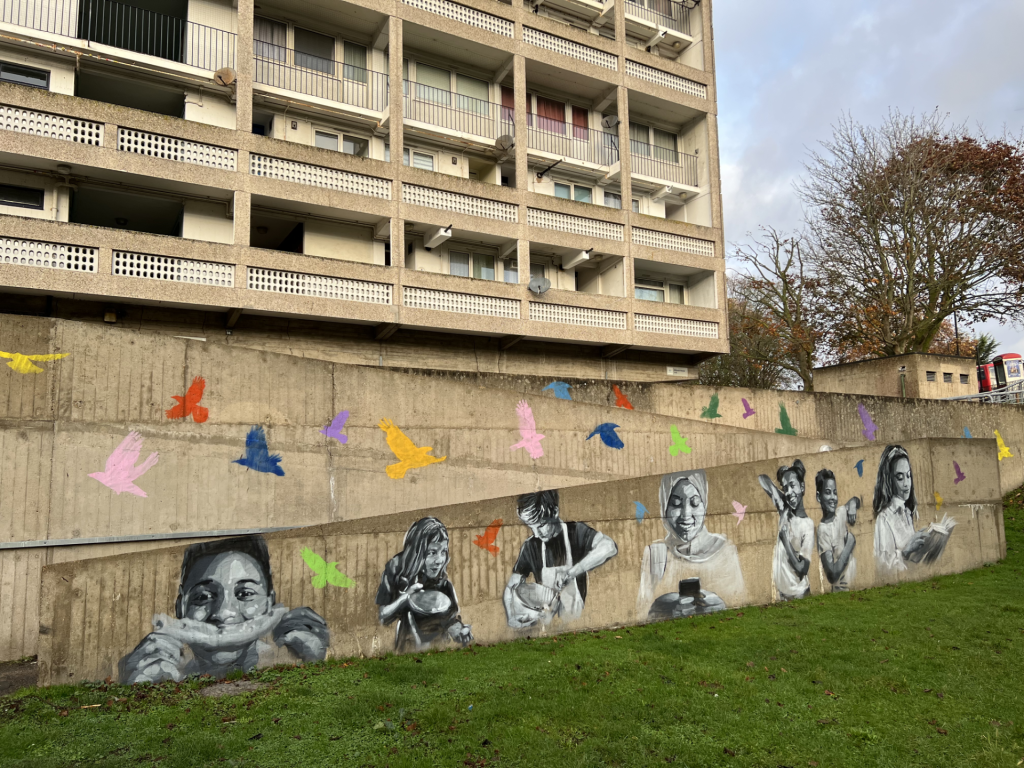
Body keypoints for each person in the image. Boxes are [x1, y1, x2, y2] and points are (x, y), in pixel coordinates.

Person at [119, 535, 329, 684]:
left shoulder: (286, 657)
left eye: (245, 594)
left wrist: (315, 663)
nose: (224, 613)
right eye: (203, 597)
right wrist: (140, 685)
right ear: (180, 607)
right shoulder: (162, 665)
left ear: (269, 602)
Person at [636, 470, 745, 620]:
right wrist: (666, 611)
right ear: (664, 507)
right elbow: (642, 613)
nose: (686, 514)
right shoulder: (655, 553)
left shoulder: (724, 549)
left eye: (694, 503)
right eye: (675, 504)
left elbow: (739, 602)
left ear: (704, 505)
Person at [503, 490, 617, 628]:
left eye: (540, 525)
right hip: (547, 624)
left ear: (555, 512)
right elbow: (511, 587)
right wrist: (511, 617)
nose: (536, 534)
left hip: (577, 624)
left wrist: (572, 572)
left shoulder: (576, 532)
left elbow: (609, 546)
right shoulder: (530, 546)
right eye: (531, 528)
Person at [377, 517, 472, 652]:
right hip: (408, 649)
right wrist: (405, 598)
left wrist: (459, 630)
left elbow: (450, 620)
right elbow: (383, 616)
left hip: (439, 651)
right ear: (418, 553)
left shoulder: (444, 585)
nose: (439, 560)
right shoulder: (397, 569)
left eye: (443, 552)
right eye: (432, 553)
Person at [758, 459, 814, 601]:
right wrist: (781, 491)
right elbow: (762, 478)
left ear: (802, 487)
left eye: (792, 485)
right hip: (782, 594)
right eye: (785, 487)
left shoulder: (807, 525)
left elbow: (802, 569)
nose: (789, 491)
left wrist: (786, 542)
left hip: (799, 594)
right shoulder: (784, 511)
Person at [873, 445, 929, 575]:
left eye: (908, 476)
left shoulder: (907, 513)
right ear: (889, 480)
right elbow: (883, 568)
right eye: (900, 477)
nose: (906, 483)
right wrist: (906, 551)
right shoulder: (884, 518)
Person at [815, 469, 860, 592]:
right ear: (819, 497)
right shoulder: (823, 531)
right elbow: (832, 575)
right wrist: (849, 545)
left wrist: (852, 504)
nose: (833, 497)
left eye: (835, 492)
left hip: (856, 589)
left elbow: (856, 500)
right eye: (828, 493)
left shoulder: (840, 513)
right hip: (842, 592)